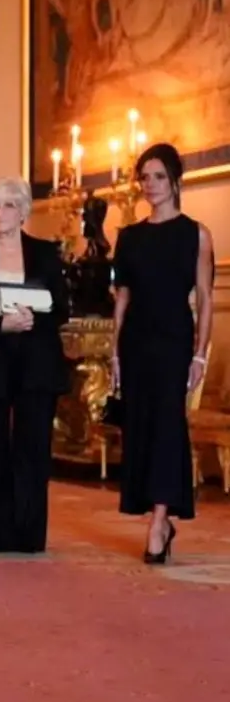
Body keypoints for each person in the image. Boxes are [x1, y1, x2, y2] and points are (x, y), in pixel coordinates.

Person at [0, 178, 70, 553]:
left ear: (23, 211)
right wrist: (0, 324)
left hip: (36, 363)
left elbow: (62, 308)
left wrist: (33, 318)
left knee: (33, 450)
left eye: (7, 206)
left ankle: (28, 534)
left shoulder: (46, 254)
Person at [112, 143, 214, 564]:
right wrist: (115, 354)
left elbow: (206, 298)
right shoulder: (129, 237)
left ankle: (159, 520)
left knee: (168, 427)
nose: (149, 185)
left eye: (157, 176)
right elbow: (122, 298)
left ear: (174, 180)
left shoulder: (196, 234)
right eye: (144, 177)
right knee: (141, 427)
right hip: (136, 342)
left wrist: (200, 355)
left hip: (174, 341)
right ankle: (156, 517)